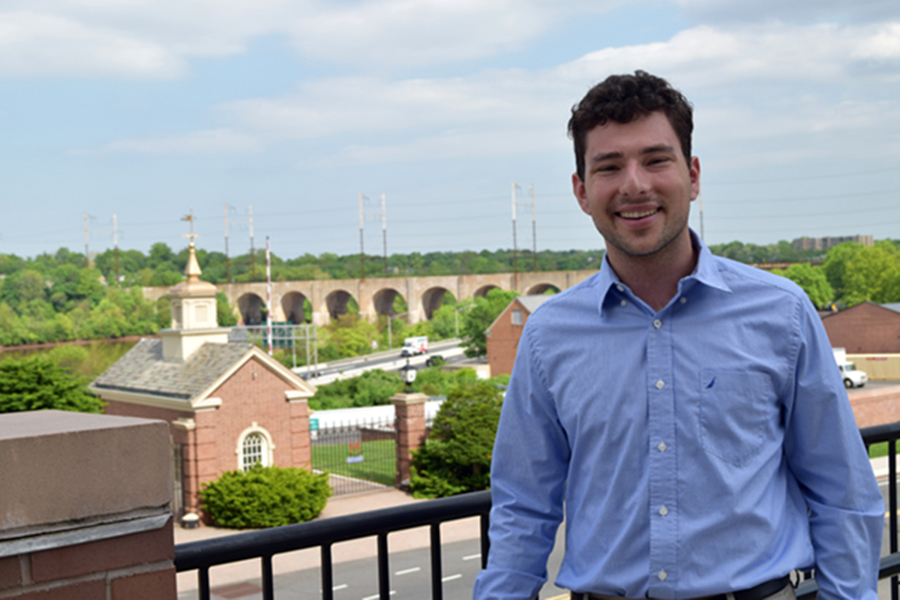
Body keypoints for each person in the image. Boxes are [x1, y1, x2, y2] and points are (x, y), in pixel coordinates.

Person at [472, 71, 884, 600]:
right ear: (581, 191)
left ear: (692, 176)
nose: (634, 185)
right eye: (608, 166)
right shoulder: (549, 336)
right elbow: (523, 507)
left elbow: (841, 490)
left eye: (655, 160)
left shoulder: (780, 312)